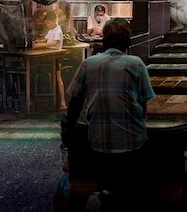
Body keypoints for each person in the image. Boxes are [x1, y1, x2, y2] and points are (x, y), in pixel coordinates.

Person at [65, 19, 155, 207]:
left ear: (104, 41)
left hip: (98, 144)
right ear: (128, 42)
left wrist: (70, 131)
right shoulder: (136, 64)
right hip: (132, 144)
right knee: (134, 188)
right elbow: (143, 105)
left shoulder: (88, 64)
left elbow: (74, 104)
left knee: (104, 185)